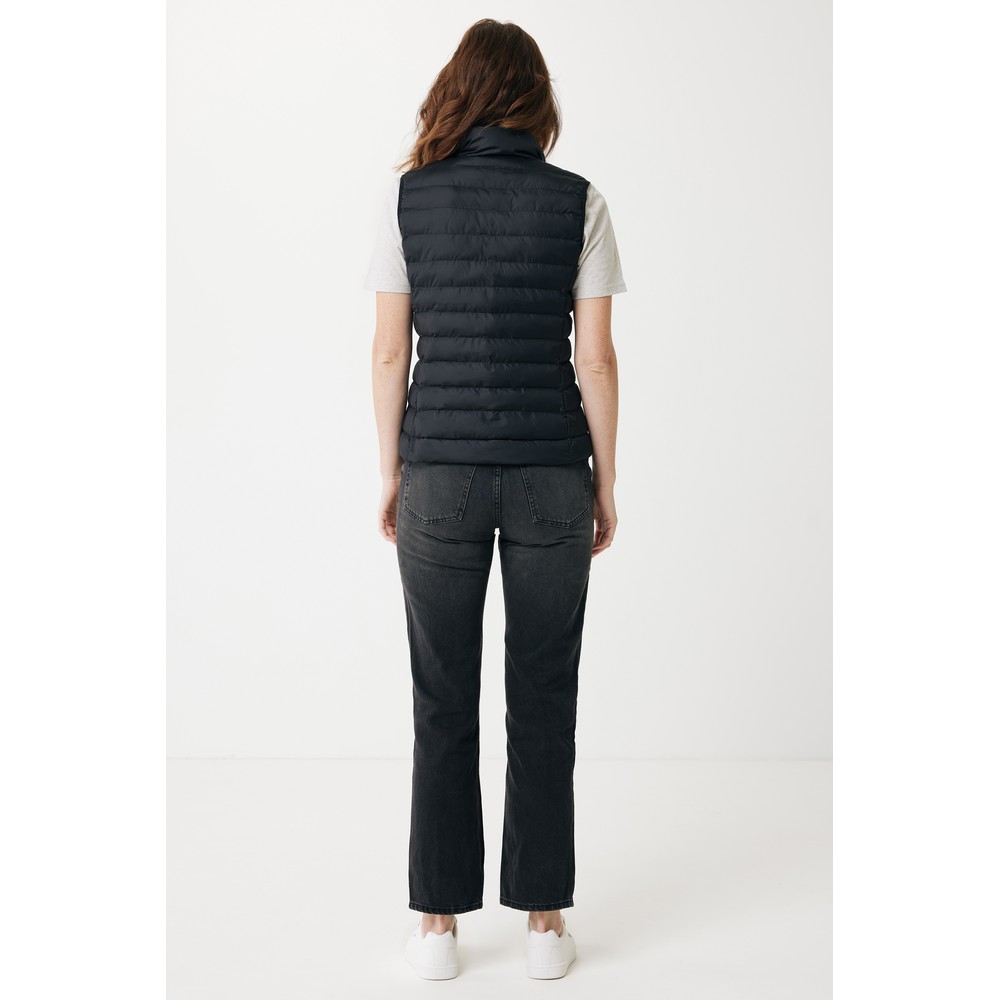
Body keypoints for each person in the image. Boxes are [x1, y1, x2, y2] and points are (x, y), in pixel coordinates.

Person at [364, 17, 625, 981]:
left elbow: (389, 351)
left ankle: (438, 929)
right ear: (535, 100)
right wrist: (606, 479)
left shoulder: (408, 200)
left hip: (438, 472)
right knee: (545, 697)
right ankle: (545, 927)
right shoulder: (580, 200)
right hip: (553, 469)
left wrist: (392, 470)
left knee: (442, 700)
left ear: (457, 93)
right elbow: (595, 359)